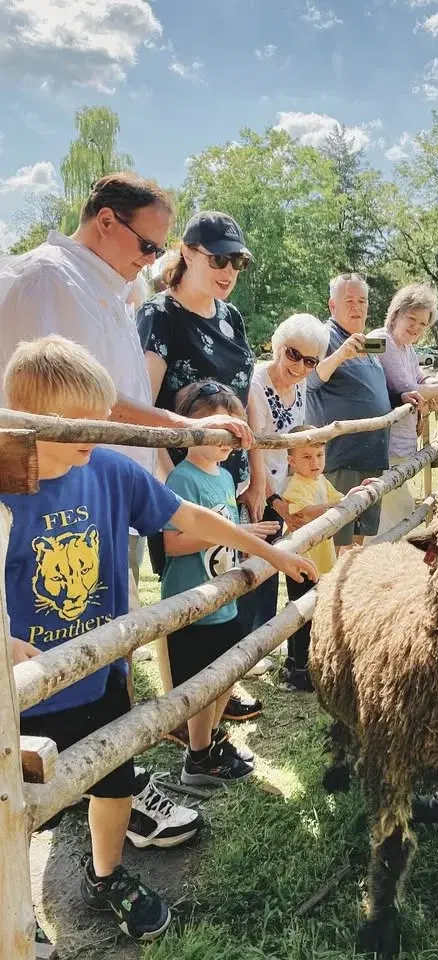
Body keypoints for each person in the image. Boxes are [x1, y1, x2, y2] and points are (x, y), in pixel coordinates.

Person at [1, 336, 312, 944]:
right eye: (74, 421)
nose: (93, 429)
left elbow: (187, 519)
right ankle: (17, 919)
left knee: (115, 783)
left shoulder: (110, 469)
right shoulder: (5, 486)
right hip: (23, 697)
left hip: (101, 673)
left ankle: (106, 873)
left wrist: (265, 548)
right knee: (19, 812)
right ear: (28, 422)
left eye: (98, 414)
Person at [0, 174, 250, 854]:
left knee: (109, 636)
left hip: (106, 489)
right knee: (53, 636)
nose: (152, 258)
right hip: (54, 494)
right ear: (105, 221)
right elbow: (76, 401)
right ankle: (66, 789)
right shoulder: (52, 282)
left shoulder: (109, 286)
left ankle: (110, 777)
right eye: (146, 242)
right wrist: (178, 430)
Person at [137, 210, 265, 723]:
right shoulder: (158, 315)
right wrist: (168, 481)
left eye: (236, 261)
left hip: (225, 478)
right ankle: (178, 711)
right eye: (218, 258)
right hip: (180, 479)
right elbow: (145, 404)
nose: (229, 271)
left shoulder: (230, 317)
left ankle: (215, 691)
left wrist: (254, 472)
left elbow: (244, 400)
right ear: (187, 252)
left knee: (221, 583)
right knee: (183, 598)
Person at [161, 382, 316, 783]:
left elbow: (228, 535)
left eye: (238, 432)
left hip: (224, 600)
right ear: (195, 428)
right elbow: (173, 544)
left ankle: (211, 741)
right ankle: (197, 758)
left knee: (224, 677)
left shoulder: (227, 479)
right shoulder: (182, 480)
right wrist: (233, 532)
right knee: (199, 687)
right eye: (224, 431)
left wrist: (245, 533)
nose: (232, 441)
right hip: (192, 603)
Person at [241, 313, 330, 645]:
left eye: (309, 361)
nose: (299, 366)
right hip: (256, 486)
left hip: (281, 485)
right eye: (293, 354)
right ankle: (248, 642)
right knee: (255, 564)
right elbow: (256, 447)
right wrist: (273, 501)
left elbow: (296, 438)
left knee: (276, 562)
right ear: (278, 346)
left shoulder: (301, 383)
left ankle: (264, 640)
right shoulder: (256, 385)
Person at [372, 284, 438, 533]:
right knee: (396, 510)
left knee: (394, 510)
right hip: (386, 443)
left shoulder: (407, 348)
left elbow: (421, 380)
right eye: (412, 319)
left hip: (402, 442)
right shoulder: (382, 341)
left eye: (423, 324)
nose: (416, 327)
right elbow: (407, 386)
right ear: (396, 313)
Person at [280, 426, 375, 690]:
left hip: (320, 560)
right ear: (292, 461)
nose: (315, 462)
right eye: (307, 457)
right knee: (301, 613)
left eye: (319, 455)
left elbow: (338, 499)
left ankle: (304, 664)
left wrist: (355, 492)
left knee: (313, 610)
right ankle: (298, 668)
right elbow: (304, 513)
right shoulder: (295, 486)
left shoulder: (320, 481)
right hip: (301, 561)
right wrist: (335, 505)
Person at [306, 273, 391, 549]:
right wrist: (340, 354)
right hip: (341, 459)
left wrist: (405, 397)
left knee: (357, 545)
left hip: (371, 456)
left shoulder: (367, 342)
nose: (357, 307)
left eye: (362, 301)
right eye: (349, 301)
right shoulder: (322, 337)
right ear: (332, 306)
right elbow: (310, 380)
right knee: (336, 543)